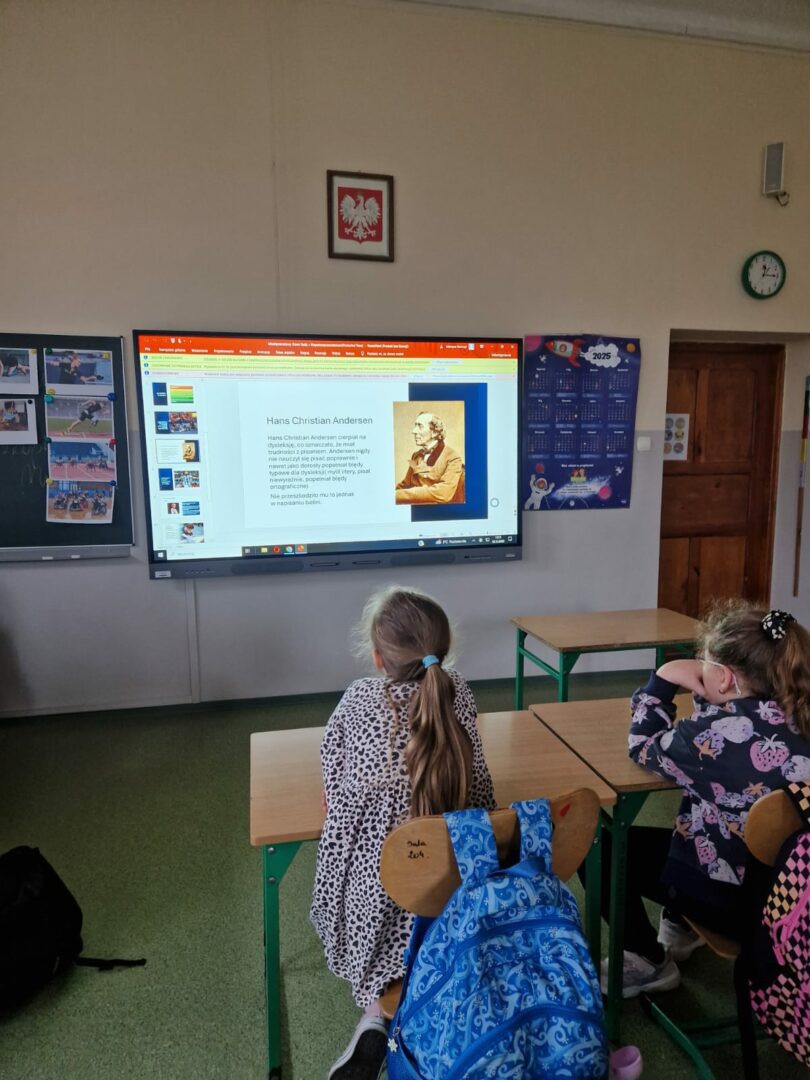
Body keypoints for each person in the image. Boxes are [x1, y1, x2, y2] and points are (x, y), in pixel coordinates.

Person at [310, 586, 495, 1080]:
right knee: (433, 882)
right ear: (443, 651)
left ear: (378, 657)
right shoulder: (457, 693)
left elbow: (332, 791)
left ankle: (376, 1015)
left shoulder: (357, 698)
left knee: (379, 888)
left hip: (371, 896)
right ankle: (424, 1012)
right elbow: (481, 791)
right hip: (447, 894)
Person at [596, 600, 810, 999]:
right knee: (707, 814)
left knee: (601, 846)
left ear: (725, 678)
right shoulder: (799, 711)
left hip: (738, 906)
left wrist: (663, 680)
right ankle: (679, 926)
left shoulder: (706, 738)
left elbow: (642, 745)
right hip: (796, 902)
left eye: (704, 663)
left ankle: (646, 960)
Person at [395, 412, 465, 504]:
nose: (414, 431)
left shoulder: (452, 457)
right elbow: (405, 485)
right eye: (415, 426)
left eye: (420, 426)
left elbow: (443, 494)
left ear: (434, 433)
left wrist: (398, 495)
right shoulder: (416, 456)